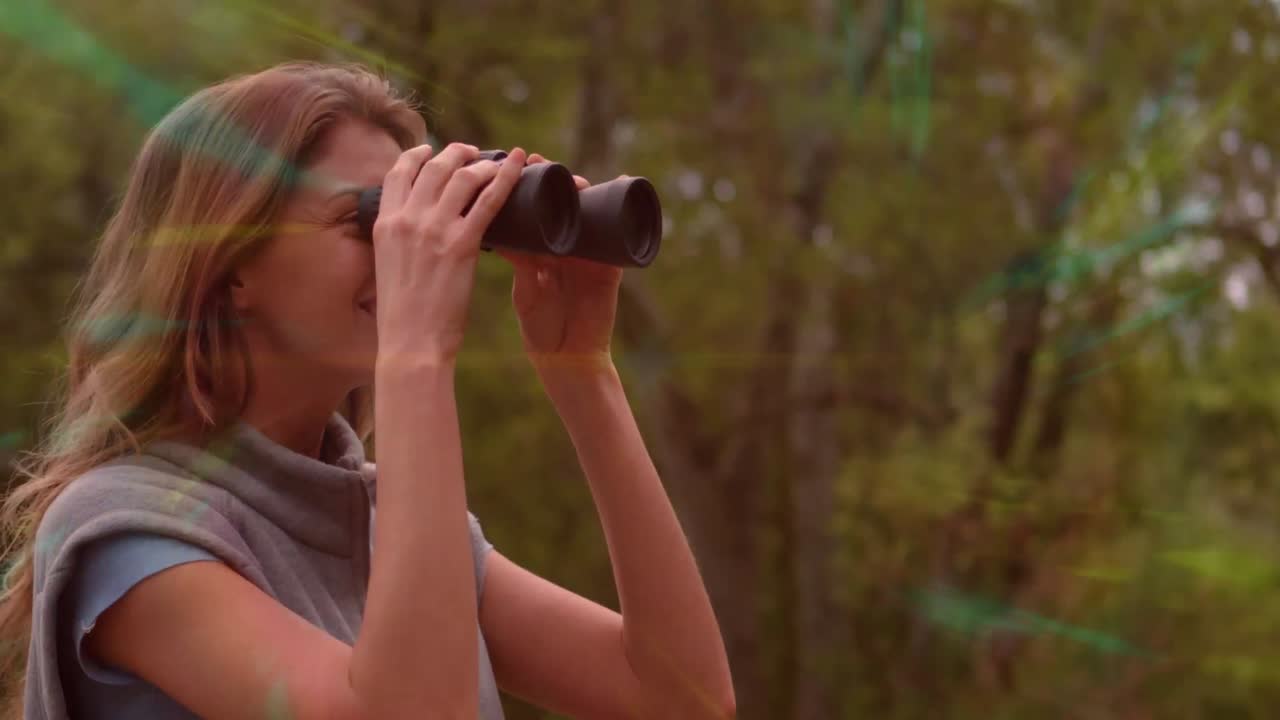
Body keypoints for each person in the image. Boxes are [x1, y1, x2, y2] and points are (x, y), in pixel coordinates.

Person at [0, 61, 735, 719]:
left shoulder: (393, 525)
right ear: (229, 268)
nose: (407, 249)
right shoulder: (122, 533)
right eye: (372, 221)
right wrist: (417, 349)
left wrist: (583, 372)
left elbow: (679, 698)